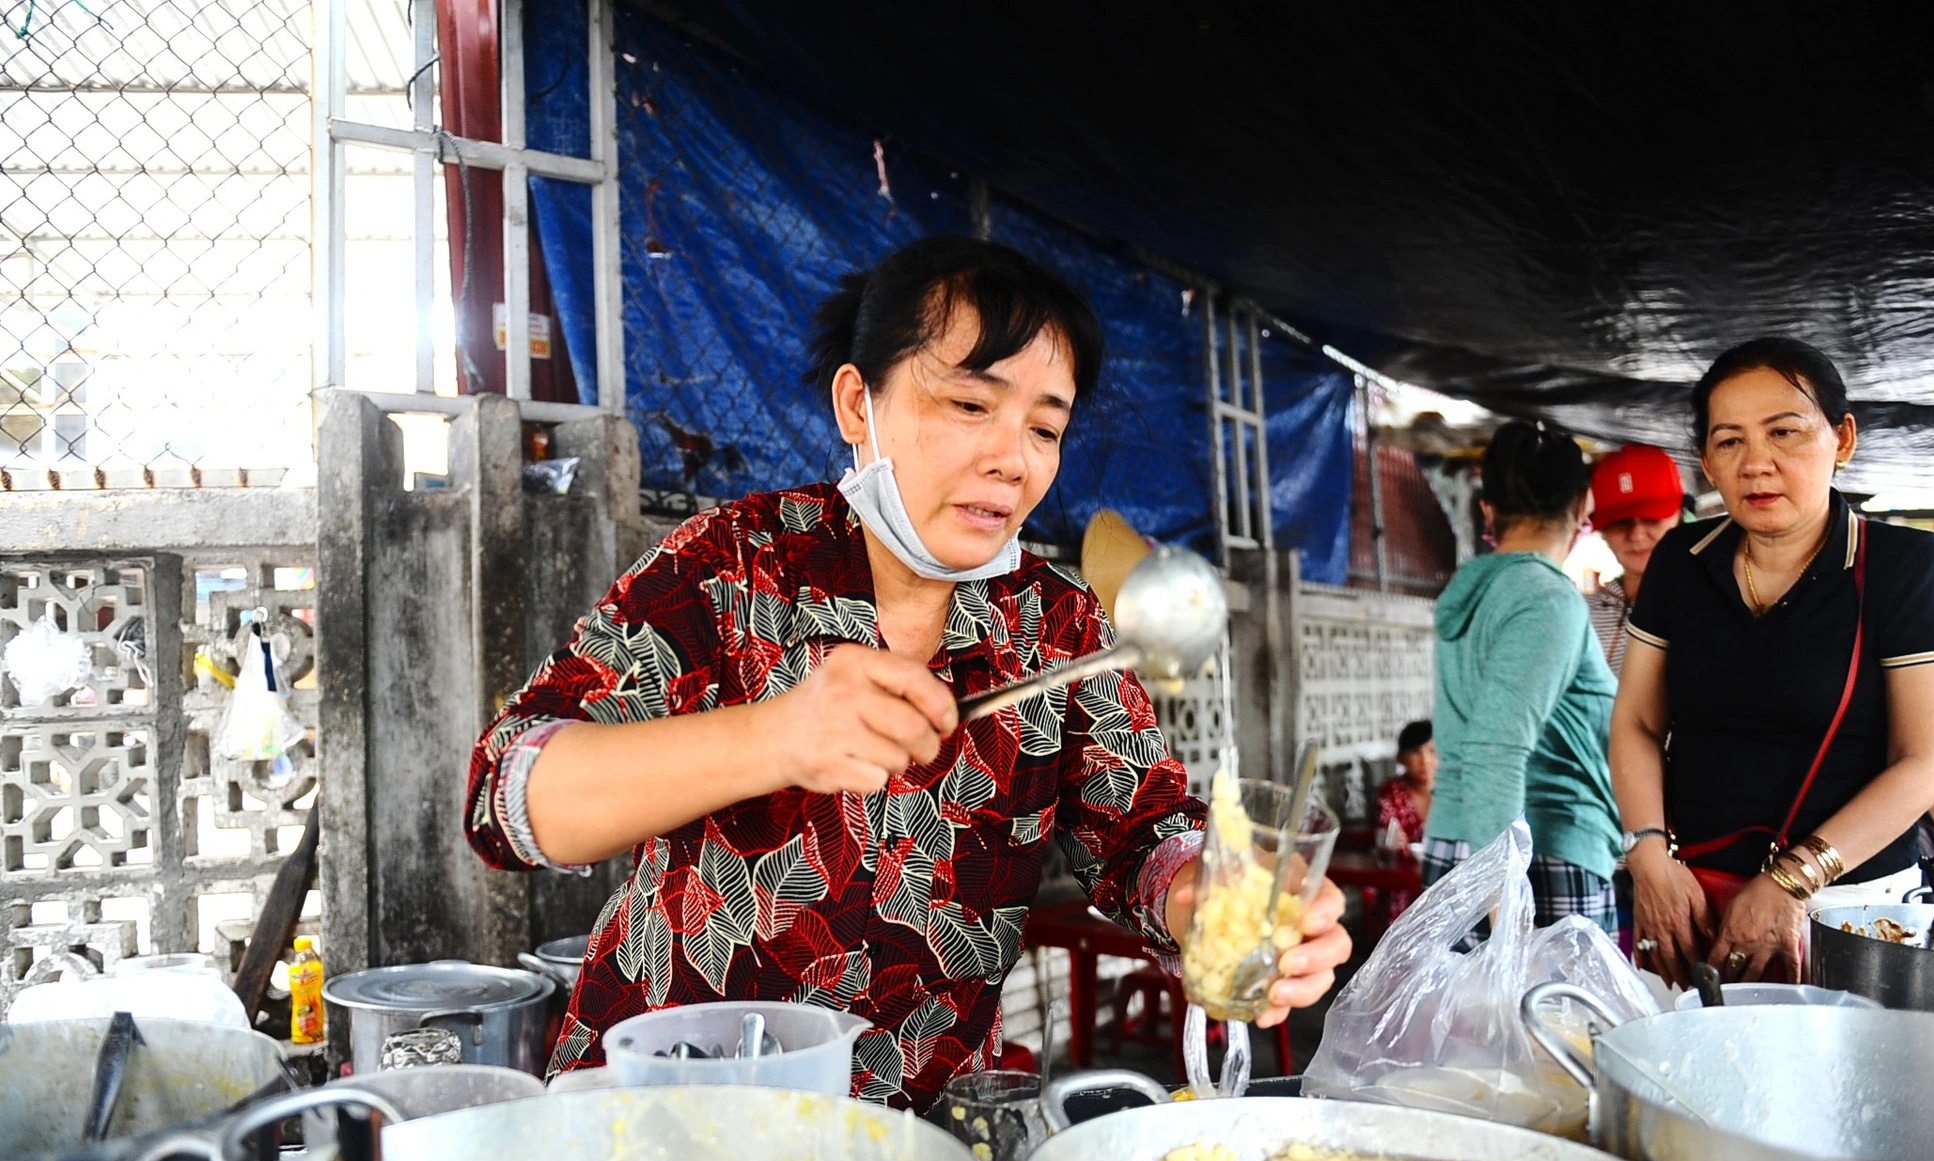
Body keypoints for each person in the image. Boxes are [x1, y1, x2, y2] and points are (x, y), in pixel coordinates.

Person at [462, 237, 1352, 1110]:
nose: (1014, 457)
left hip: (907, 1142)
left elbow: (1141, 833)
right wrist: (773, 736)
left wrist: (1204, 894)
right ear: (860, 404)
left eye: (1045, 426)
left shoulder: (1058, 624)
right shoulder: (736, 565)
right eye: (971, 404)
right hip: (664, 1109)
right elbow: (505, 798)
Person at [1611, 337, 1934, 986]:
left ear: (1843, 439)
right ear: (1706, 464)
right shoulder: (1679, 562)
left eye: (1785, 432)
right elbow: (1636, 720)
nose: (1757, 463)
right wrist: (1647, 855)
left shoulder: (1903, 567)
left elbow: (1928, 763)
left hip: (1847, 907)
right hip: (1690, 900)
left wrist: (1793, 879)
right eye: (1730, 441)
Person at [1423, 421, 1621, 934]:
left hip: (1458, 846)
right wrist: (1506, 907)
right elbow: (1495, 751)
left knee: (1470, 1017)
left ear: (1488, 509)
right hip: (1536, 861)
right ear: (1582, 506)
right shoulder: (1547, 599)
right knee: (1554, 1017)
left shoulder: (1477, 594)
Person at [1585, 444, 1683, 675]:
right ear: (1602, 530)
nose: (1636, 535)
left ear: (1677, 513)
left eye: (1651, 518)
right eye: (1620, 522)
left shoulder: (1704, 604)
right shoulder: (1581, 611)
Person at [1372, 719, 1436, 858]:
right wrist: (1388, 842)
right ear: (1401, 757)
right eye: (1415, 752)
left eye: (1432, 751)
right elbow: (1386, 836)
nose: (1425, 760)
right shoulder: (1392, 792)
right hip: (1406, 874)